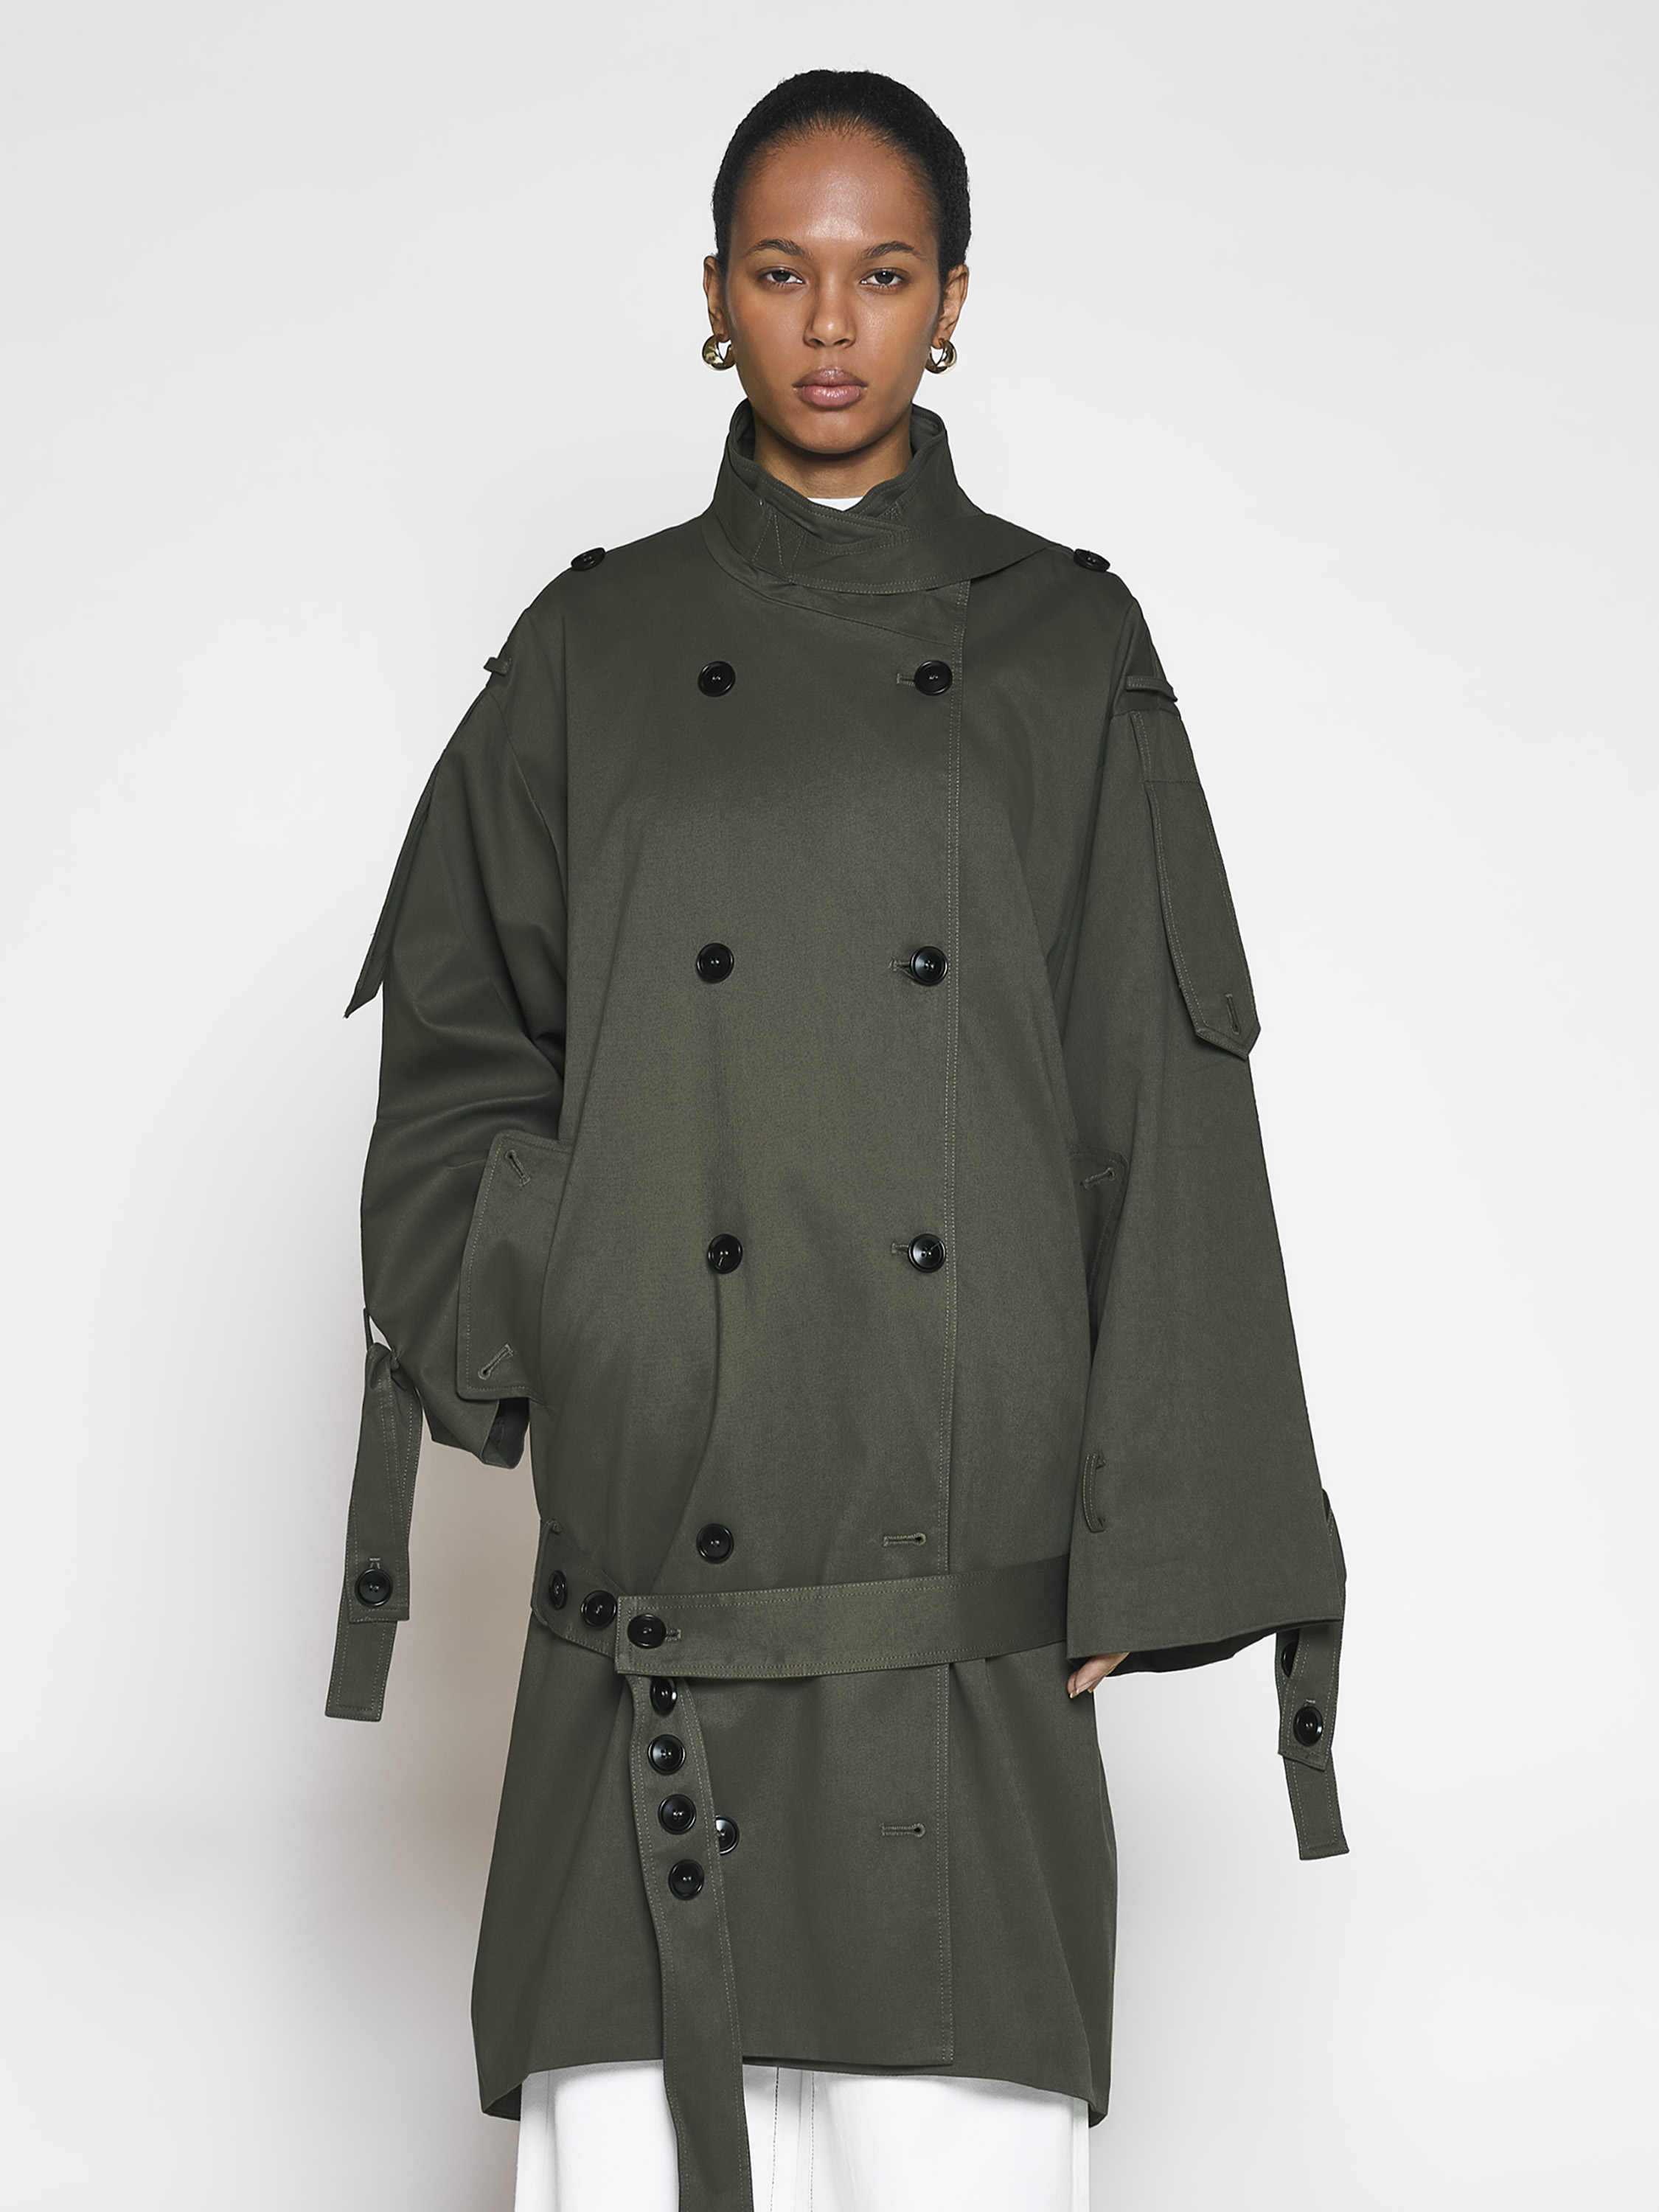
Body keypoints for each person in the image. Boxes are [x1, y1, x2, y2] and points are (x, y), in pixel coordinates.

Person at [326, 68, 1348, 2212]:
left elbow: (1156, 1080)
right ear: (712, 295)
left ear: (952, 301)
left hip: (953, 1619)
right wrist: (585, 1311)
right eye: (781, 272)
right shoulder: (592, 647)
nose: (827, 323)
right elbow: (458, 1041)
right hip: (655, 1595)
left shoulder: (1068, 641)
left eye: (881, 274)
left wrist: (1156, 1535)